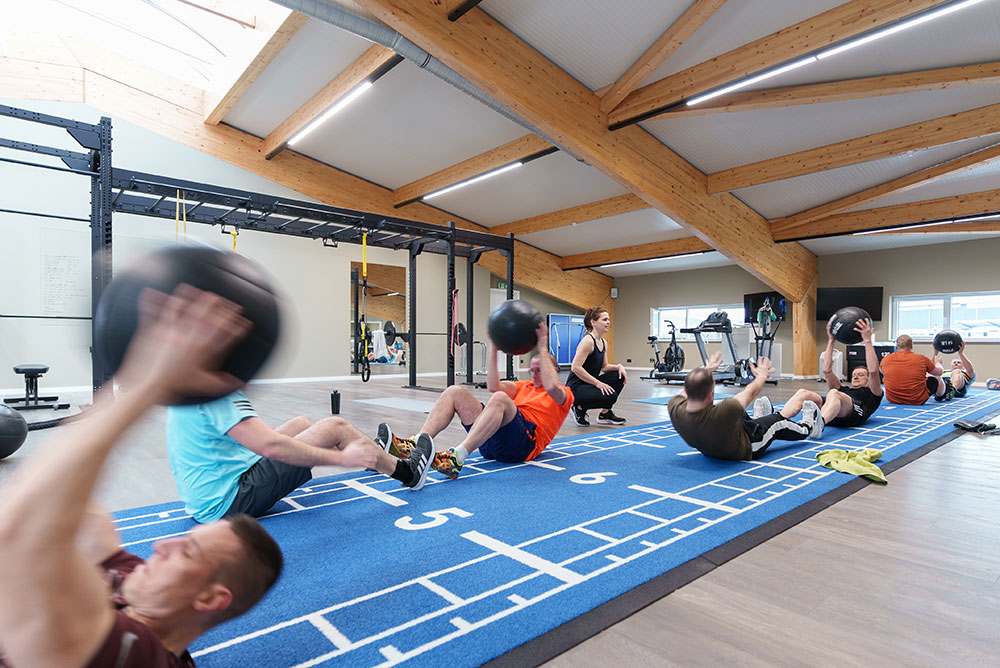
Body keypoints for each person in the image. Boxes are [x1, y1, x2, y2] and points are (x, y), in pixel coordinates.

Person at [0, 286, 283, 668]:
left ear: (209, 598)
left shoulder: (138, 657)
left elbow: (17, 534)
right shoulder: (138, 583)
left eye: (187, 551)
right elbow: (81, 514)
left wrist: (148, 384)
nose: (162, 544)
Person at [166, 390, 434, 523]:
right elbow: (271, 447)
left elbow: (252, 436)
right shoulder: (220, 394)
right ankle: (408, 473)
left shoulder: (191, 390)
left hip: (208, 496)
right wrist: (342, 459)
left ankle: (371, 454)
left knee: (301, 423)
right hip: (229, 502)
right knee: (334, 427)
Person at [377, 321, 573, 480]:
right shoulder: (524, 386)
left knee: (500, 399)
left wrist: (542, 347)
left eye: (540, 369)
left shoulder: (564, 394)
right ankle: (417, 443)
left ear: (554, 370)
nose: (534, 374)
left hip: (522, 447)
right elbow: (494, 385)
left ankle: (457, 457)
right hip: (492, 443)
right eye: (532, 370)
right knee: (454, 392)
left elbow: (551, 387)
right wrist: (494, 348)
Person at [667, 352, 822, 461]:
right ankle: (809, 427)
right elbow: (749, 392)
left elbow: (690, 387)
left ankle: (758, 419)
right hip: (747, 445)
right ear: (711, 394)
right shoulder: (724, 411)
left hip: (715, 442)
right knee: (779, 422)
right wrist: (762, 375)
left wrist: (707, 370)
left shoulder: (674, 407)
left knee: (738, 414)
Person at [783, 317, 883, 430]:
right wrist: (831, 340)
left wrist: (867, 340)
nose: (855, 377)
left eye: (860, 375)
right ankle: (779, 419)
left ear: (869, 379)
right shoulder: (843, 389)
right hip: (834, 411)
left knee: (834, 393)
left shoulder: (873, 393)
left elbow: (873, 371)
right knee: (803, 393)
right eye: (854, 374)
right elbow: (826, 370)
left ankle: (818, 425)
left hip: (854, 413)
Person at [566, 306, 627, 426]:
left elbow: (604, 366)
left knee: (619, 376)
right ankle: (578, 407)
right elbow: (575, 367)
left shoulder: (603, 342)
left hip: (588, 384)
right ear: (593, 322)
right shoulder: (588, 341)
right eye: (604, 320)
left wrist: (619, 367)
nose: (608, 322)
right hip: (575, 388)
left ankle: (605, 414)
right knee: (611, 396)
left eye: (608, 319)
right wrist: (597, 383)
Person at [880, 334, 949, 405]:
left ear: (897, 346)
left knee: (928, 376)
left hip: (892, 399)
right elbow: (939, 372)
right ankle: (941, 395)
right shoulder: (921, 359)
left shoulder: (886, 359)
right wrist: (938, 363)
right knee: (937, 378)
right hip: (916, 399)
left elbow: (882, 372)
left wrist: (935, 353)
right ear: (911, 346)